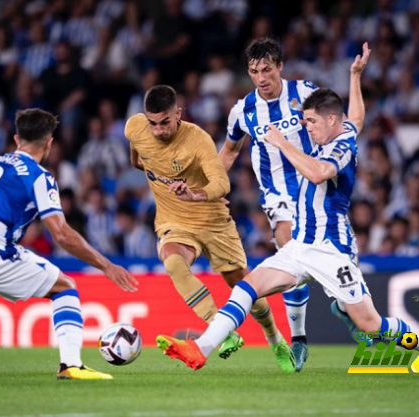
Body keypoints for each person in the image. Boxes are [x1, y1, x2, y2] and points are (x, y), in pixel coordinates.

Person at [156, 48, 419, 375]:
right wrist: (355, 76)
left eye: (311, 122)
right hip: (302, 243)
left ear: (331, 120)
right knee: (249, 287)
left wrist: (283, 144)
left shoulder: (342, 147)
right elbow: (356, 117)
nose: (307, 129)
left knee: (372, 324)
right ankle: (200, 348)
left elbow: (318, 173)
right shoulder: (338, 130)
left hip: (332, 249)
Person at [0, 108, 138, 381]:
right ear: (49, 143)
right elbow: (60, 234)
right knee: (65, 287)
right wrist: (106, 265)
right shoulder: (40, 176)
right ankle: (71, 364)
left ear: (16, 138)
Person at [125, 85, 294, 373]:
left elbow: (222, 183)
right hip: (174, 221)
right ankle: (223, 332)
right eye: (152, 123)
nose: (157, 131)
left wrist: (196, 194)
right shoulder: (135, 129)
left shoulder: (197, 140)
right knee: (174, 262)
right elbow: (138, 160)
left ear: (178, 114)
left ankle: (275, 338)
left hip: (212, 222)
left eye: (165, 122)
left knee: (246, 287)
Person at [218, 36, 343, 371]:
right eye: (255, 71)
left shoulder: (305, 94)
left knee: (328, 258)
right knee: (289, 244)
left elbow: (336, 127)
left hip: (317, 187)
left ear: (280, 67)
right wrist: (211, 185)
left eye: (267, 70)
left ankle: (343, 302)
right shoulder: (243, 110)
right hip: (279, 196)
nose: (262, 78)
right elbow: (229, 152)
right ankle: (299, 337)